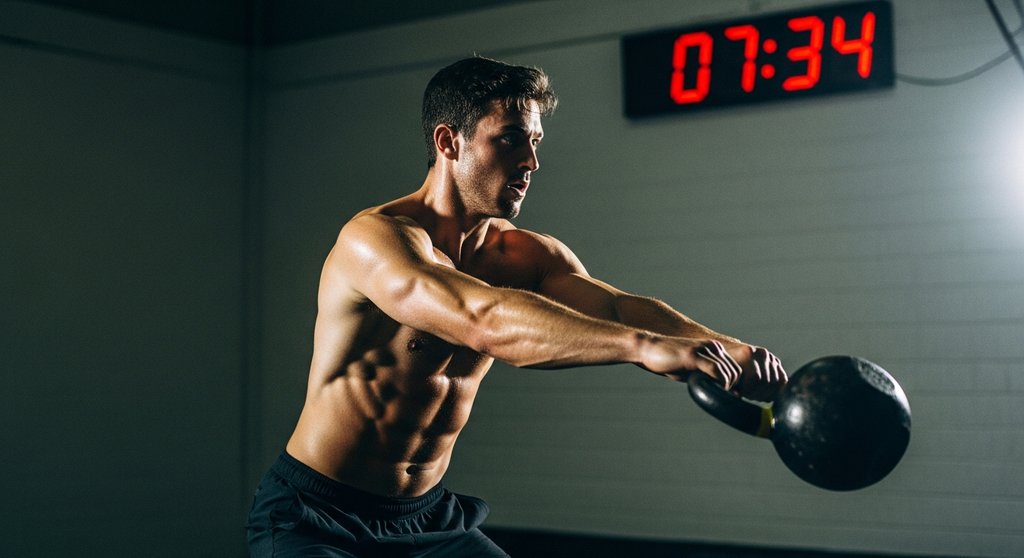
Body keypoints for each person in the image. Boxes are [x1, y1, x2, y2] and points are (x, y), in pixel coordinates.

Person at [247, 56, 787, 557]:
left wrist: (728, 351)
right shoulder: (376, 240)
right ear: (449, 142)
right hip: (317, 517)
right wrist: (644, 349)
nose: (530, 161)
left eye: (534, 141)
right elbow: (482, 320)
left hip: (427, 519)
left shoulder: (527, 255)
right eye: (509, 140)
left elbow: (618, 309)